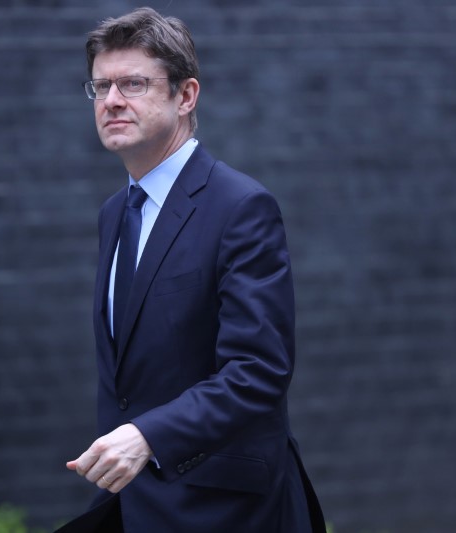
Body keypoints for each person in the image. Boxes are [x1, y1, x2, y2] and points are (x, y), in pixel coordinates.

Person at [59, 7, 325, 533]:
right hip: (136, 505)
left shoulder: (241, 207)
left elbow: (258, 371)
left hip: (223, 511)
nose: (111, 101)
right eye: (100, 87)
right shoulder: (115, 213)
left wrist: (147, 436)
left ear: (185, 96)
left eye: (132, 84)